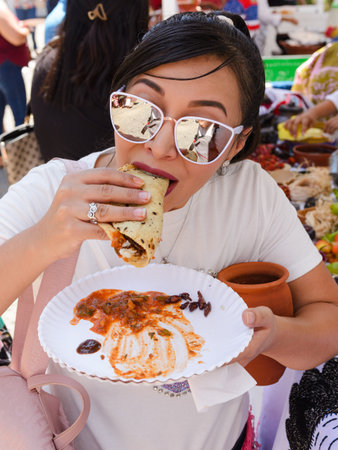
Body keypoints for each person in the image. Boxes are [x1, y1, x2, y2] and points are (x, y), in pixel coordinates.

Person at [0, 10, 337, 450]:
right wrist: (43, 240)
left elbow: (327, 318)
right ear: (117, 100)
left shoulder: (250, 197)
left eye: (202, 132)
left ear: (235, 144)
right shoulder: (53, 191)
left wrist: (277, 337)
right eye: (141, 111)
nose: (158, 147)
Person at [30, 0, 149, 162]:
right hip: (119, 184)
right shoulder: (142, 81)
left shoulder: (47, 66)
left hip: (55, 183)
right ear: (137, 14)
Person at [0, 0, 30, 134]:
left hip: (5, 66)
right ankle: (22, 153)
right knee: (20, 116)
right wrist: (25, 30)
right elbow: (17, 37)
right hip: (6, 67)